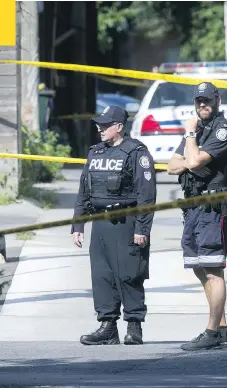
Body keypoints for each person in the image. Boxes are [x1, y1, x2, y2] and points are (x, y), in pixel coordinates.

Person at [71, 105, 157, 346]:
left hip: (126, 222)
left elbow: (146, 195)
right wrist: (78, 225)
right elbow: (83, 191)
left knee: (130, 274)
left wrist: (142, 228)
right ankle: (107, 326)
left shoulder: (136, 153)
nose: (100, 128)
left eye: (106, 125)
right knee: (102, 276)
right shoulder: (95, 153)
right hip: (100, 222)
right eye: (99, 124)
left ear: (119, 127)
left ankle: (134, 326)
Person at [167, 82, 227, 351]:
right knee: (199, 266)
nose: (202, 106)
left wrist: (189, 139)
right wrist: (191, 154)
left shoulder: (223, 131)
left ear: (218, 100)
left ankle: (211, 332)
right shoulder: (199, 131)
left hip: (213, 204)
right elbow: (171, 166)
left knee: (212, 268)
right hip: (194, 204)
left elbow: (195, 161)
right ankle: (221, 328)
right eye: (198, 102)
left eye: (207, 101)